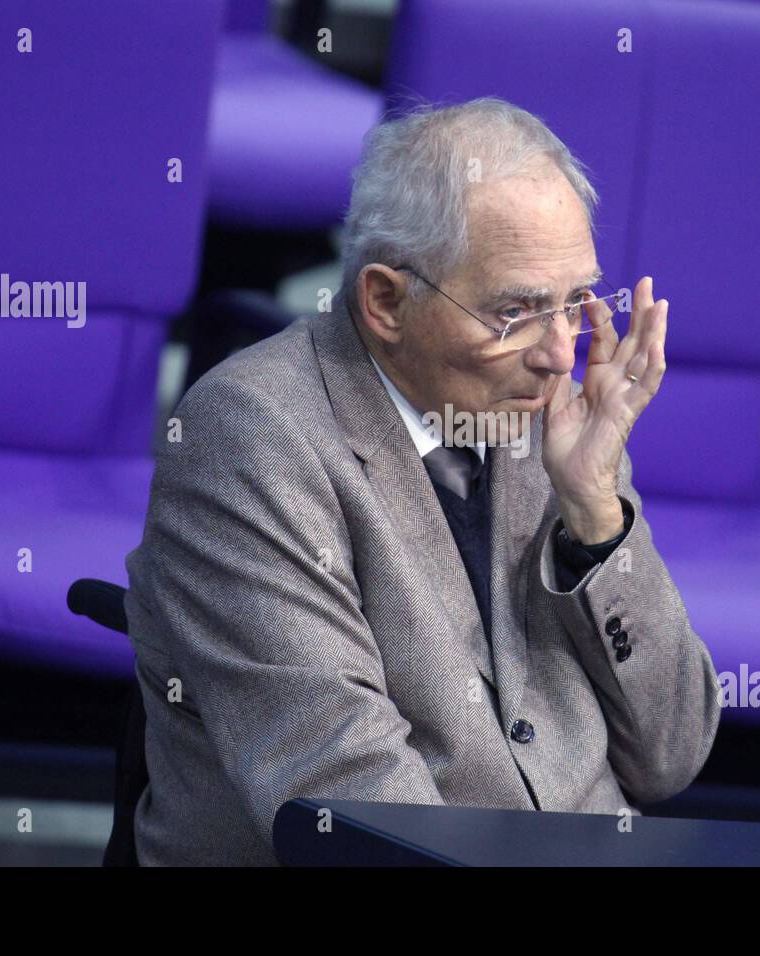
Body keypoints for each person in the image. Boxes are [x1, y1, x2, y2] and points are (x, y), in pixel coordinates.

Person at [124, 97, 720, 865]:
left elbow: (672, 754)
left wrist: (595, 514)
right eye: (515, 312)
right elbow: (353, 809)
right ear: (385, 301)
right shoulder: (251, 441)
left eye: (576, 302)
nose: (559, 354)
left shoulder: (546, 416)